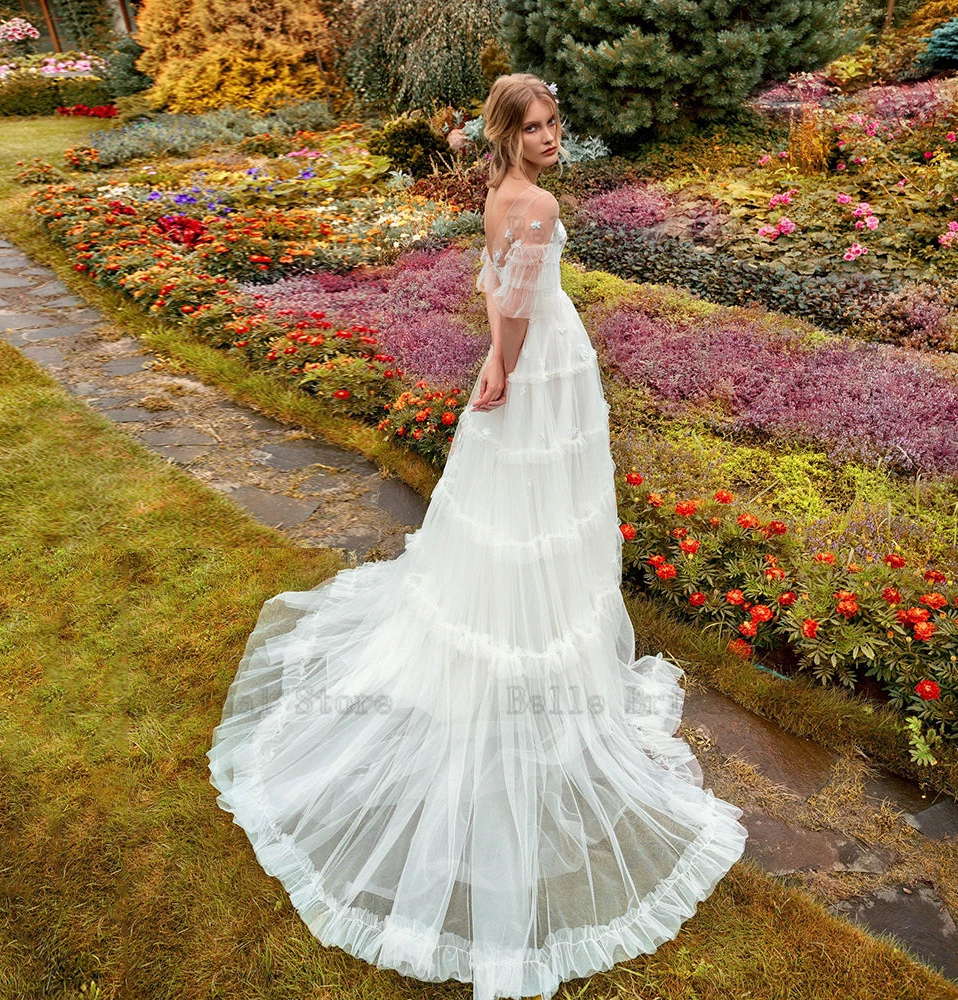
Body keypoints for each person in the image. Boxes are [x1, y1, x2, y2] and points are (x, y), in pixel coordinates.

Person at [207, 72, 748, 1000]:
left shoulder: (499, 196)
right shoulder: (529, 202)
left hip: (529, 364)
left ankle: (526, 630)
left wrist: (494, 361)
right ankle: (529, 648)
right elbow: (519, 304)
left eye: (554, 121)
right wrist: (501, 369)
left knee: (518, 514)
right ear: (505, 135)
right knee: (535, 511)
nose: (551, 137)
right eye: (533, 127)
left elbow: (493, 282)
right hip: (540, 370)